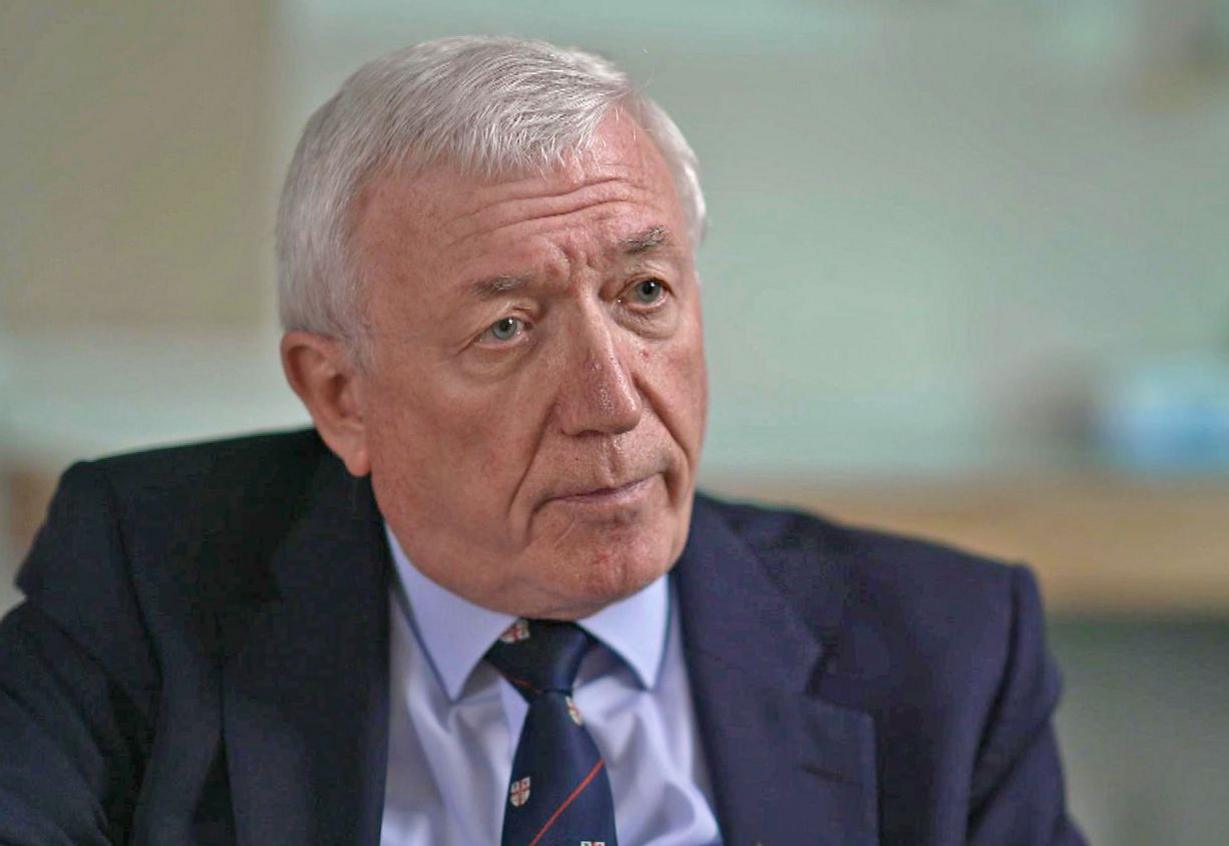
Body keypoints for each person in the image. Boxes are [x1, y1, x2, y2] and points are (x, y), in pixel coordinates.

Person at [0, 36, 1085, 846]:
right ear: (340, 397)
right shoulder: (145, 585)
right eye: (507, 328)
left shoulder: (945, 658)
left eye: (645, 293)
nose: (611, 402)